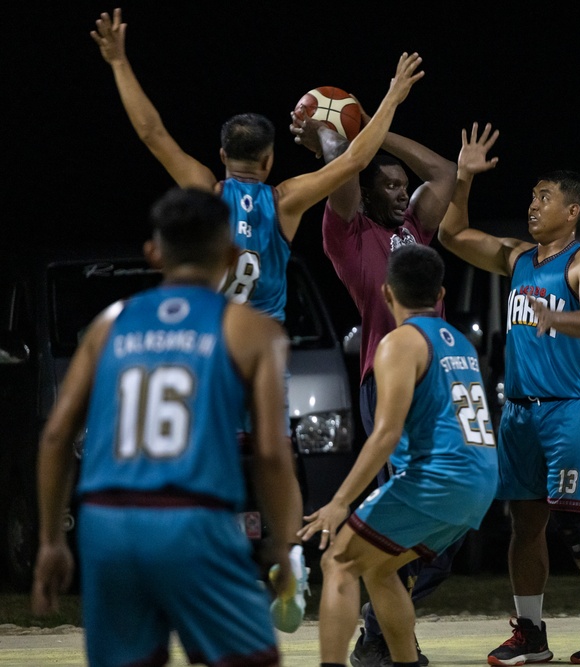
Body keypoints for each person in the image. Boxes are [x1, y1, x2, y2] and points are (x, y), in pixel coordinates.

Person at [90, 7, 425, 632]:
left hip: (208, 350)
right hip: (263, 357)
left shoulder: (205, 190)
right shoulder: (285, 200)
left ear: (222, 155)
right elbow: (353, 165)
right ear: (270, 160)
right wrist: (391, 98)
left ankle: (190, 571)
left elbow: (152, 133)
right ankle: (291, 562)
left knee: (201, 465)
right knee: (277, 463)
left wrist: (118, 62)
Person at [31, 187, 301, 667]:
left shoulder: (108, 324)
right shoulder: (253, 330)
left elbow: (55, 437)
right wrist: (282, 546)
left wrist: (52, 541)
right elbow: (271, 453)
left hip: (105, 522)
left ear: (153, 253)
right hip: (193, 519)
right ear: (233, 254)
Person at [436, 123, 580, 665]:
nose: (533, 205)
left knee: (573, 519)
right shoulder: (517, 257)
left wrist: (562, 316)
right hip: (520, 411)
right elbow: (452, 235)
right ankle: (530, 632)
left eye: (544, 197)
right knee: (523, 522)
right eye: (531, 196)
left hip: (569, 408)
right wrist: (463, 177)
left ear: (571, 211)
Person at [290, 98, 458, 665]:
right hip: (388, 388)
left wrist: (377, 133)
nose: (399, 192)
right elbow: (340, 170)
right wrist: (337, 137)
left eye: (400, 186)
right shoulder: (347, 234)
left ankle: (381, 637)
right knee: (408, 526)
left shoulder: (416, 227)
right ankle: (381, 643)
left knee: (438, 540)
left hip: (433, 385)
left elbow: (444, 173)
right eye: (387, 185)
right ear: (364, 193)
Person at [296, 243, 498, 667]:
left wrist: (339, 502)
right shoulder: (459, 342)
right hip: (479, 480)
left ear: (387, 293)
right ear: (440, 295)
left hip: (438, 478)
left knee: (338, 560)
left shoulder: (398, 343)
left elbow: (385, 434)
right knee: (380, 568)